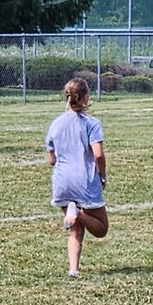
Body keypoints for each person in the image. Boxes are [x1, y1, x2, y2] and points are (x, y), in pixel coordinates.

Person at [45, 77, 108, 277]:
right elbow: (98, 154)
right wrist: (102, 175)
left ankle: (73, 269)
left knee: (76, 229)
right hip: (84, 180)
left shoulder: (55, 123)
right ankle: (79, 213)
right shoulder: (91, 123)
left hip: (62, 181)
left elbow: (52, 159)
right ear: (84, 97)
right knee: (101, 229)